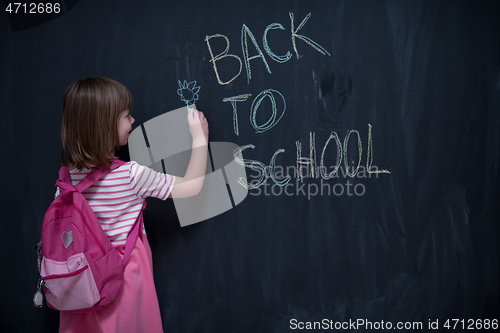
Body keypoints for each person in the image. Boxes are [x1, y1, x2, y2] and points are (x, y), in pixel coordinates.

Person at [57, 77, 208, 333]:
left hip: (79, 285)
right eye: (126, 116)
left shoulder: (66, 179)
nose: (132, 121)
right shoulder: (130, 176)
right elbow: (191, 186)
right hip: (122, 283)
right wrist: (199, 139)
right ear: (104, 125)